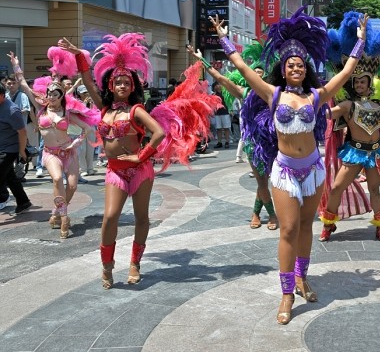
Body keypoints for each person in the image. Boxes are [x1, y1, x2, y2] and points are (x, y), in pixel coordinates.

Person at [207, 9, 365, 325]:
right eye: (290, 64)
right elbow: (239, 66)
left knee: (306, 227)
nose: (295, 67)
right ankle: (286, 293)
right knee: (289, 228)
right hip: (285, 171)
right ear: (283, 68)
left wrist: (360, 41)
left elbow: (346, 72)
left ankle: (302, 276)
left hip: (313, 170)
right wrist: (223, 37)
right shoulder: (272, 93)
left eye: (300, 64)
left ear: (307, 69)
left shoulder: (318, 96)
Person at [61, 33, 217, 288]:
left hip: (140, 170)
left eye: (126, 82)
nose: (122, 85)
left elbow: (159, 133)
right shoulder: (104, 109)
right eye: (117, 82)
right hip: (115, 172)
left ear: (133, 86)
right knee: (110, 217)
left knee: (141, 217)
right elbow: (88, 81)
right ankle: (107, 266)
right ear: (111, 86)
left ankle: (135, 263)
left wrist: (140, 155)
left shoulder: (137, 110)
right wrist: (79, 54)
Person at [318, 12, 380, 243]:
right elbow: (327, 114)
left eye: (364, 80)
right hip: (354, 152)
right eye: (357, 81)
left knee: (375, 190)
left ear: (370, 82)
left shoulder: (378, 104)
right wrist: (310, 108)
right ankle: (329, 223)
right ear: (353, 84)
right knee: (335, 188)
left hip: (375, 151)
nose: (361, 84)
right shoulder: (347, 104)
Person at [186, 43, 278, 231]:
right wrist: (201, 59)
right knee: (261, 181)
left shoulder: (274, 94)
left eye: (261, 73)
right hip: (253, 144)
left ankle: (255, 213)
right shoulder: (244, 93)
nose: (258, 75)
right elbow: (220, 77)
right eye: (255, 72)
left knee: (266, 180)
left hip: (273, 142)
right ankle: (272, 214)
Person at [9, 52, 99, 238]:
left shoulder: (67, 113)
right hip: (50, 153)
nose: (50, 96)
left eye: (54, 94)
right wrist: (16, 66)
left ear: (61, 96)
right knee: (58, 179)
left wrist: (75, 142)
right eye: (49, 93)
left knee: (72, 186)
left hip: (69, 152)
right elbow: (24, 85)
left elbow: (87, 129)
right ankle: (64, 217)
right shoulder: (41, 107)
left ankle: (56, 212)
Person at [0, 80, 33, 214]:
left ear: (1, 95)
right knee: (9, 177)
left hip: (9, 150)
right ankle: (23, 202)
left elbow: (22, 132)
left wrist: (21, 151)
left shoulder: (12, 110)